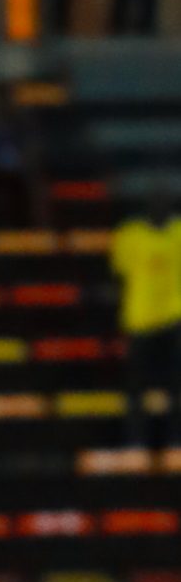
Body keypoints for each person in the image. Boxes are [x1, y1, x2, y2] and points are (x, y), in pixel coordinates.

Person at [110, 191, 181, 455]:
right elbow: (119, 273)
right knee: (136, 389)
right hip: (140, 320)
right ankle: (135, 442)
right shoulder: (130, 236)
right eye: (154, 201)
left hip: (174, 319)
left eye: (164, 202)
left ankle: (175, 440)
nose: (159, 207)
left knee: (176, 387)